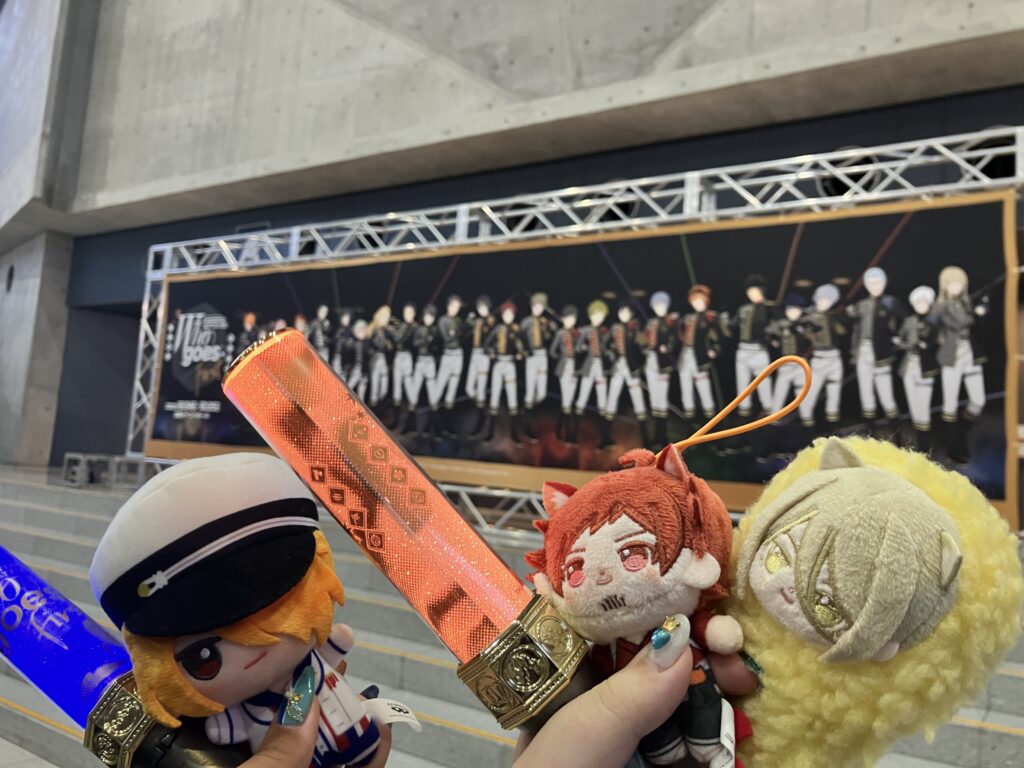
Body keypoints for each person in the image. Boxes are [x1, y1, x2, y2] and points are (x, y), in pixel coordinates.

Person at [848, 267, 903, 420]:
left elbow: (901, 321)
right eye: (872, 283)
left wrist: (897, 338)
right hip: (863, 349)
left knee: (885, 390)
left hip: (882, 351)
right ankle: (869, 424)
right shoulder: (861, 304)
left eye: (879, 282)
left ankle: (894, 422)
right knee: (865, 390)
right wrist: (849, 312)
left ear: (884, 283)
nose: (875, 286)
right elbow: (855, 329)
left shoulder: (890, 302)